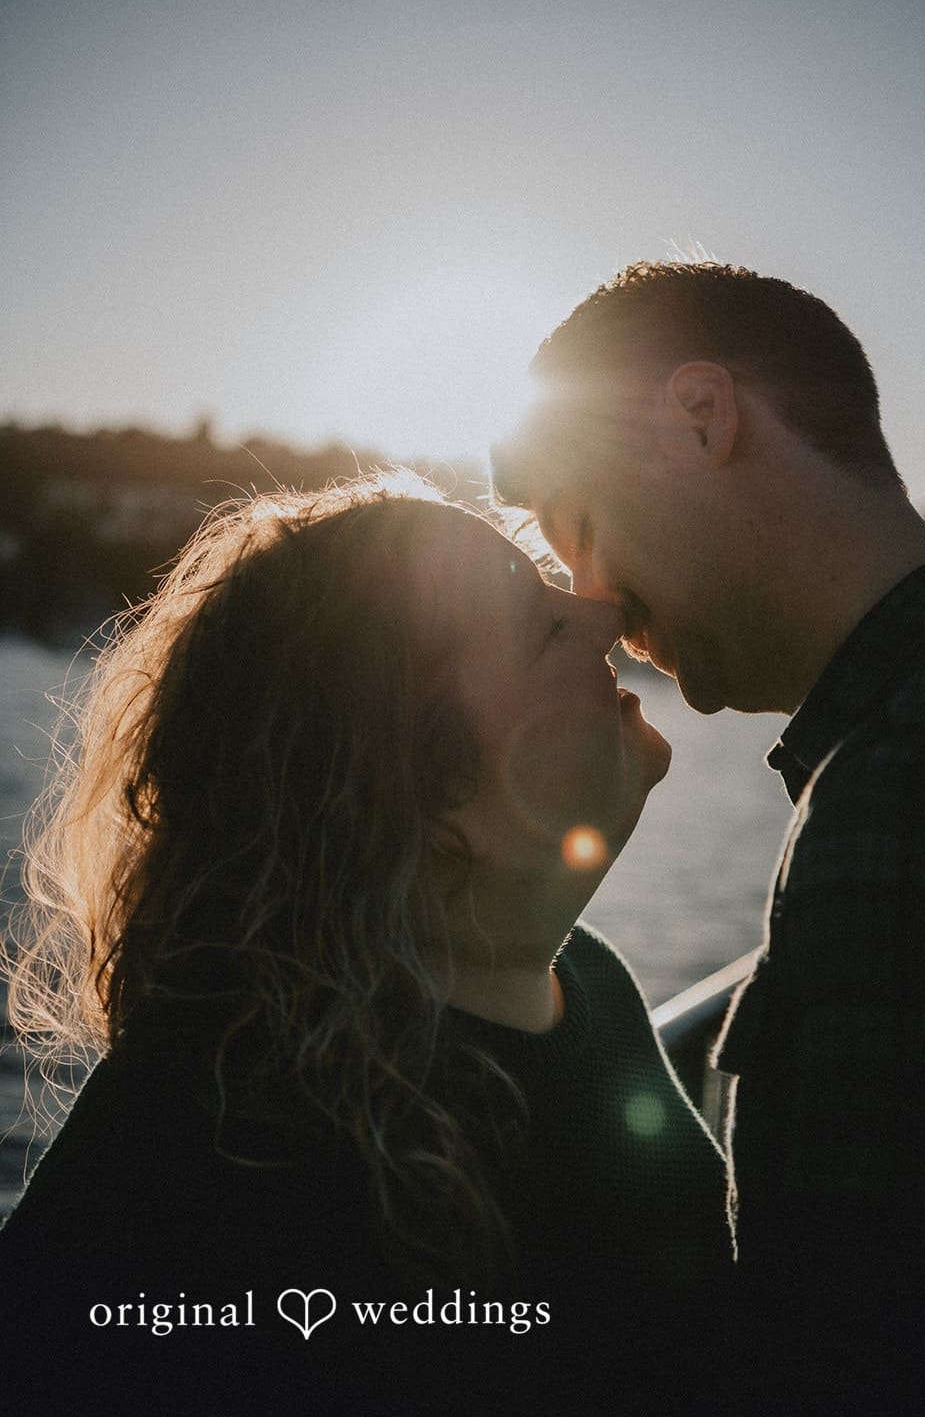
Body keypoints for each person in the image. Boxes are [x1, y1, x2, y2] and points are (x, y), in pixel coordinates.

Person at [0, 477, 732, 1415]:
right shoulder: (237, 1152)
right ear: (424, 799)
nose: (597, 616)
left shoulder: (580, 976)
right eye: (539, 626)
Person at [491, 260, 925, 1412]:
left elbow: (872, 1350)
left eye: (584, 527)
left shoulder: (923, 770)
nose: (594, 602)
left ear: (702, 417)